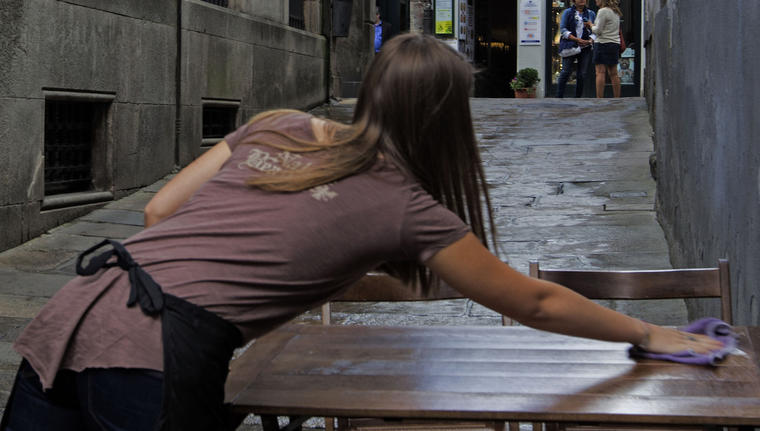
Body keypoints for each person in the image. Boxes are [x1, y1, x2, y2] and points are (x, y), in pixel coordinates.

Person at [1, 33, 723, 431]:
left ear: (372, 89)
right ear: (447, 120)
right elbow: (534, 303)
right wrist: (652, 333)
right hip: (154, 358)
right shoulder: (403, 205)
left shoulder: (276, 125)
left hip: (73, 316)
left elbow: (160, 216)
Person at [556, 0, 596, 98]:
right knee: (565, 72)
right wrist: (577, 40)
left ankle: (578, 98)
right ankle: (559, 97)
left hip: (585, 47)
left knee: (582, 74)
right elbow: (563, 30)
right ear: (574, 1)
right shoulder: (567, 12)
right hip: (570, 45)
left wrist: (590, 40)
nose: (582, 0)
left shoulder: (591, 13)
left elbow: (595, 30)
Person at [592, 0, 623, 97]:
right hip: (614, 44)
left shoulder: (602, 11)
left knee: (600, 72)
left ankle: (599, 99)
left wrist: (590, 25)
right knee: (613, 73)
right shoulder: (615, 11)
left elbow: (598, 31)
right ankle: (617, 98)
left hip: (602, 43)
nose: (595, 0)